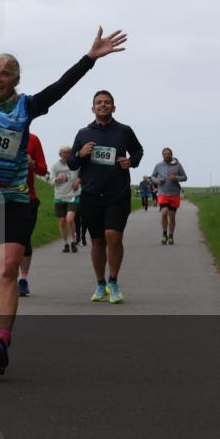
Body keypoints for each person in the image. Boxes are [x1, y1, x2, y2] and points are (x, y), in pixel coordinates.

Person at [0, 27, 128, 374]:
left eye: (5, 73)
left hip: (13, 197)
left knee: (8, 267)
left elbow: (59, 88)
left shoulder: (26, 107)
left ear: (16, 79)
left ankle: (2, 342)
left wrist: (89, 60)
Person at [68, 90, 144, 304]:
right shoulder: (83, 133)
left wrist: (131, 161)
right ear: (93, 108)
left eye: (107, 102)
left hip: (117, 193)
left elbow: (138, 151)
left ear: (113, 107)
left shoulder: (124, 131)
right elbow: (73, 163)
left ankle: (113, 281)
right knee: (98, 241)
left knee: (114, 236)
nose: (103, 105)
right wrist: (80, 154)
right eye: (99, 103)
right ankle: (100, 284)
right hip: (91, 195)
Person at [17, 132, 47, 297]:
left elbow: (43, 169)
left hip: (27, 198)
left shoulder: (33, 139)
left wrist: (32, 163)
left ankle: (23, 278)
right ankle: (6, 276)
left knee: (23, 241)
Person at [151, 148, 188, 245]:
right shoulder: (158, 166)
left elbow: (185, 177)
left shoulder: (178, 165)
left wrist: (176, 177)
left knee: (172, 217)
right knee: (164, 213)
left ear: (171, 155)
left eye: (168, 154)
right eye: (165, 154)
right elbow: (152, 177)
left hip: (174, 194)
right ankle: (164, 234)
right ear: (162, 155)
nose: (167, 155)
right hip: (163, 193)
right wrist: (157, 181)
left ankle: (171, 236)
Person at [49, 146, 80, 253]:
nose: (66, 155)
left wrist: (78, 181)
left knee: (70, 219)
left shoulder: (76, 164)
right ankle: (65, 243)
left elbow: (83, 174)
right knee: (62, 221)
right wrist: (57, 179)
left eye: (68, 153)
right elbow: (51, 181)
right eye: (64, 153)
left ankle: (73, 241)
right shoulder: (55, 167)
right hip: (59, 196)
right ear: (60, 154)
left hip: (73, 195)